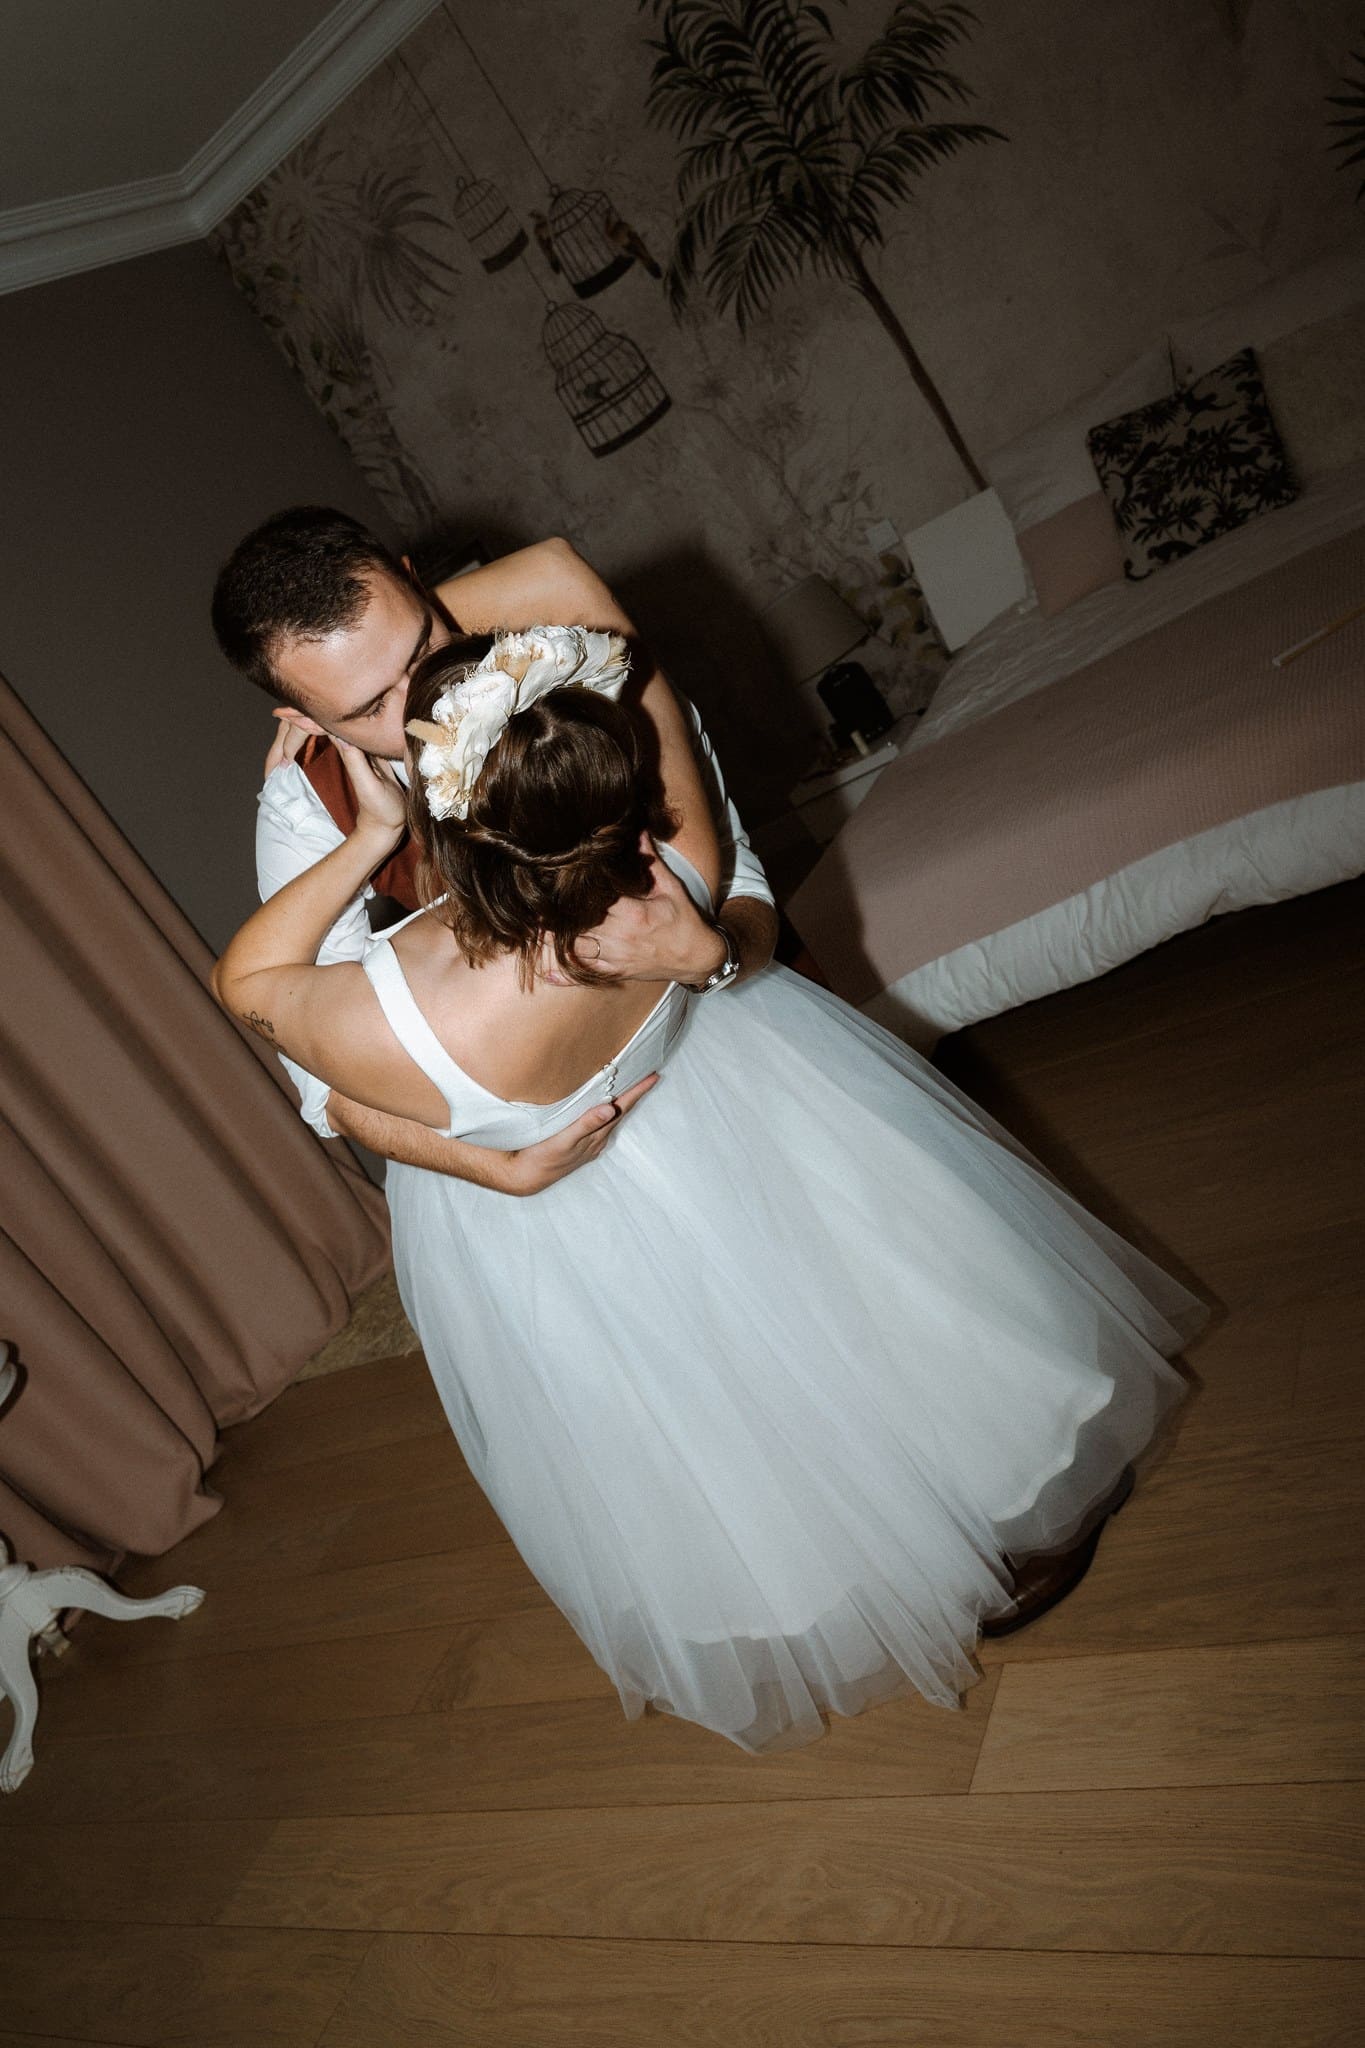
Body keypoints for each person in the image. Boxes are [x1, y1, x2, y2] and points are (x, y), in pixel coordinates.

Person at [214, 626, 1207, 1755]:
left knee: (745, 1386)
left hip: (579, 1187)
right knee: (836, 1316)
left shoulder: (403, 1007)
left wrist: (373, 840)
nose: (393, 711)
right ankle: (975, 1513)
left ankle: (916, 1551)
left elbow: (258, 990)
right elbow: (711, 865)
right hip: (684, 1101)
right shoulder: (668, 881)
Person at [211, 505, 779, 1195]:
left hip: (722, 1056)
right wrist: (500, 1171)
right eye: (370, 707)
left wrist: (716, 958)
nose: (427, 705)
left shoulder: (575, 670)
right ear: (307, 721)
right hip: (534, 1161)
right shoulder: (308, 802)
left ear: (421, 587)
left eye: (420, 649)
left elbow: (739, 875)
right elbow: (324, 1083)